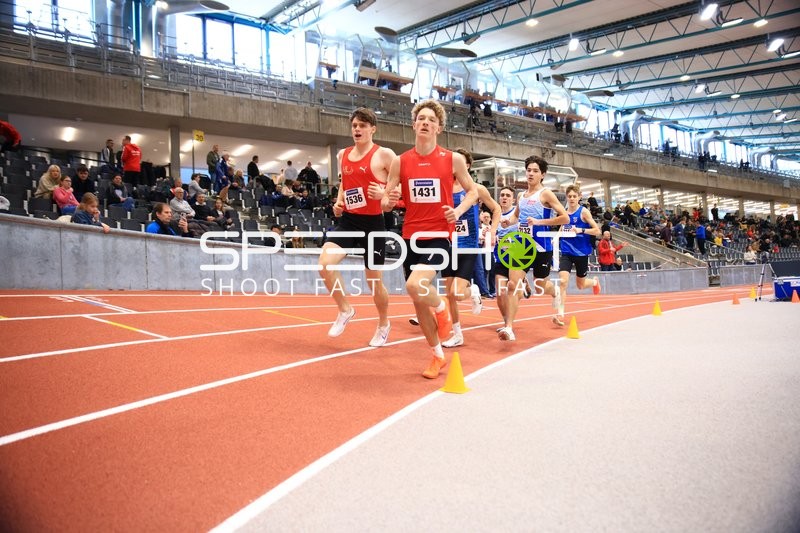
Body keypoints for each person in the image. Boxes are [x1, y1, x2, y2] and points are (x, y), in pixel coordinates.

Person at [381, 99, 478, 378]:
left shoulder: (452, 160)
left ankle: (442, 307)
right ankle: (437, 356)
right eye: (421, 118)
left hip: (438, 236)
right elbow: (387, 203)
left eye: (431, 120)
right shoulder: (401, 162)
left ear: (439, 127)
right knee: (418, 300)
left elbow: (473, 192)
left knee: (415, 284)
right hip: (411, 235)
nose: (425, 122)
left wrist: (457, 211)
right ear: (414, 125)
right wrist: (390, 199)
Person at [319, 108, 396, 347]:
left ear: (373, 129)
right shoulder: (342, 155)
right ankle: (345, 309)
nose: (357, 129)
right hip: (349, 221)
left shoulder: (384, 155)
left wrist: (384, 192)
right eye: (354, 125)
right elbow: (345, 184)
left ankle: (384, 324)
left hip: (374, 224)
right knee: (324, 264)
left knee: (374, 281)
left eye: (362, 125)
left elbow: (402, 185)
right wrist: (339, 202)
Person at [497, 155, 569, 340]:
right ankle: (509, 328)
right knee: (512, 284)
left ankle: (556, 292)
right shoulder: (521, 196)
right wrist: (507, 222)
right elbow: (517, 218)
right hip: (521, 246)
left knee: (540, 285)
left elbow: (565, 218)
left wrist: (540, 221)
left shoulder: (545, 194)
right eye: (528, 170)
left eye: (535, 171)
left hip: (541, 247)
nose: (531, 173)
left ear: (542, 175)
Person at [441, 148, 500, 348]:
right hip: (448, 245)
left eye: (459, 162)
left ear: (467, 166)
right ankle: (457, 334)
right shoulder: (444, 186)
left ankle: (473, 289)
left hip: (468, 246)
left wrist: (492, 231)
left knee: (456, 293)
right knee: (449, 295)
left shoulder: (476, 189)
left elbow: (496, 208)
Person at [556, 184, 601, 325]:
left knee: (580, 285)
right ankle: (560, 314)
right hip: (566, 251)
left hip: (581, 252)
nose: (571, 198)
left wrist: (581, 230)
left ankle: (594, 282)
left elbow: (597, 230)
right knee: (563, 282)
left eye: (574, 196)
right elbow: (562, 228)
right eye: (569, 196)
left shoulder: (584, 212)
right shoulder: (563, 212)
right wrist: (555, 239)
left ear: (579, 197)